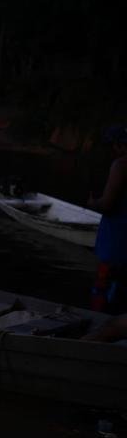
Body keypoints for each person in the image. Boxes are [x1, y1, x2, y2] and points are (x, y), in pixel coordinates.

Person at [86, 126, 127, 315]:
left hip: (116, 248)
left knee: (103, 304)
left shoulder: (121, 164)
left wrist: (93, 203)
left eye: (112, 145)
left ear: (119, 145)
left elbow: (107, 204)